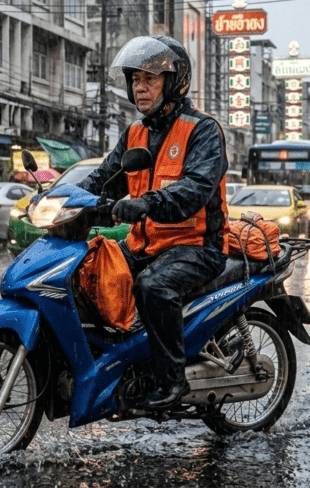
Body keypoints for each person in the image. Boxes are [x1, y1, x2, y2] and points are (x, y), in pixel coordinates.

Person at [76, 35, 229, 410]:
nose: (140, 87)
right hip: (144, 245)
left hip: (197, 247)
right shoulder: (135, 133)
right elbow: (103, 178)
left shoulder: (202, 130)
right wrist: (60, 198)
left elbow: (194, 190)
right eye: (135, 79)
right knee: (86, 269)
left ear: (174, 82)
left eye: (150, 78)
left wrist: (145, 203)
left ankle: (171, 379)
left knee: (153, 286)